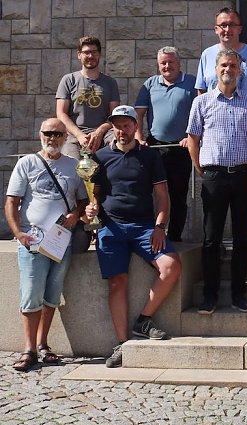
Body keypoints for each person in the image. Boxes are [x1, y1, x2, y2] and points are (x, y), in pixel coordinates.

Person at [86, 106, 183, 368]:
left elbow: (162, 197)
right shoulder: (101, 157)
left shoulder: (149, 157)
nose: (122, 130)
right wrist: (92, 207)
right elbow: (93, 192)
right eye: (117, 125)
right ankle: (122, 344)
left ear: (134, 127)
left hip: (144, 227)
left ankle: (143, 319)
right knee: (117, 282)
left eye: (127, 125)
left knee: (171, 266)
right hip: (111, 228)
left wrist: (160, 227)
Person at [186, 49, 247, 315]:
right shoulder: (202, 102)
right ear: (215, 69)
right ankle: (209, 296)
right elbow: (193, 140)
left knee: (243, 239)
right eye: (223, 65)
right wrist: (202, 170)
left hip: (243, 175)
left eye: (232, 65)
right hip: (214, 177)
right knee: (212, 239)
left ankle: (238, 295)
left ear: (240, 70)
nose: (227, 69)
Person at [5, 118, 87, 371]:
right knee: (31, 294)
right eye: (48, 133)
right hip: (33, 239)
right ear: (40, 135)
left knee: (52, 294)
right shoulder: (26, 163)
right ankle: (28, 348)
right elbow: (12, 202)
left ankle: (43, 344)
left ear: (65, 138)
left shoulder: (74, 166)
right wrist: (18, 232)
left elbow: (83, 202)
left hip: (61, 241)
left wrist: (75, 215)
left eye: (57, 134)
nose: (52, 138)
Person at [134, 46, 198, 242]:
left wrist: (192, 136)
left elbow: (201, 113)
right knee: (150, 191)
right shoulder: (150, 84)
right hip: (155, 147)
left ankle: (175, 237)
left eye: (171, 62)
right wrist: (138, 137)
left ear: (178, 63)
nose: (167, 66)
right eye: (163, 63)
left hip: (181, 147)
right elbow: (138, 114)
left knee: (178, 194)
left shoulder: (192, 83)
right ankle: (149, 233)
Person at [56, 36, 120, 159]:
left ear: (100, 55)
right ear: (79, 55)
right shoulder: (68, 80)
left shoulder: (110, 82)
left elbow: (114, 116)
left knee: (119, 148)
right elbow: (61, 114)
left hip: (105, 133)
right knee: (71, 165)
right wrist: (79, 135)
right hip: (74, 134)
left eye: (94, 52)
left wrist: (99, 132)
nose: (90, 56)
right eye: (86, 52)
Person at [195, 7, 247, 110]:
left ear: (240, 29)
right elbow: (201, 90)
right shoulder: (207, 55)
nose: (227, 29)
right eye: (223, 25)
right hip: (214, 118)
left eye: (232, 25)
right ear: (216, 29)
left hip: (245, 119)